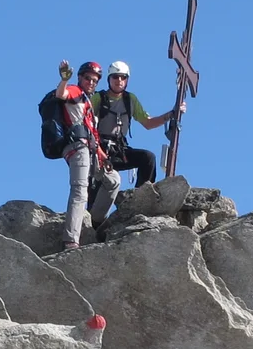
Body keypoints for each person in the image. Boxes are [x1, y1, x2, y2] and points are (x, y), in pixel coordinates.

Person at [52, 60, 118, 250]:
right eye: (88, 78)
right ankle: (71, 240)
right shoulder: (75, 91)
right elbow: (61, 94)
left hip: (91, 150)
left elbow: (92, 133)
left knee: (113, 180)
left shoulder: (87, 101)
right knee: (80, 190)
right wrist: (64, 79)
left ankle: (93, 222)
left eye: (95, 80)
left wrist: (103, 156)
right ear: (80, 77)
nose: (91, 82)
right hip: (77, 148)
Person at [89, 60, 177, 188]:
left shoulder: (130, 100)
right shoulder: (98, 98)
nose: (119, 80)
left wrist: (171, 114)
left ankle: (142, 196)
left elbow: (148, 123)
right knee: (96, 189)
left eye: (123, 77)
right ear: (109, 79)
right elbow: (85, 120)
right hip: (100, 149)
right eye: (115, 77)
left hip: (120, 150)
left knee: (147, 158)